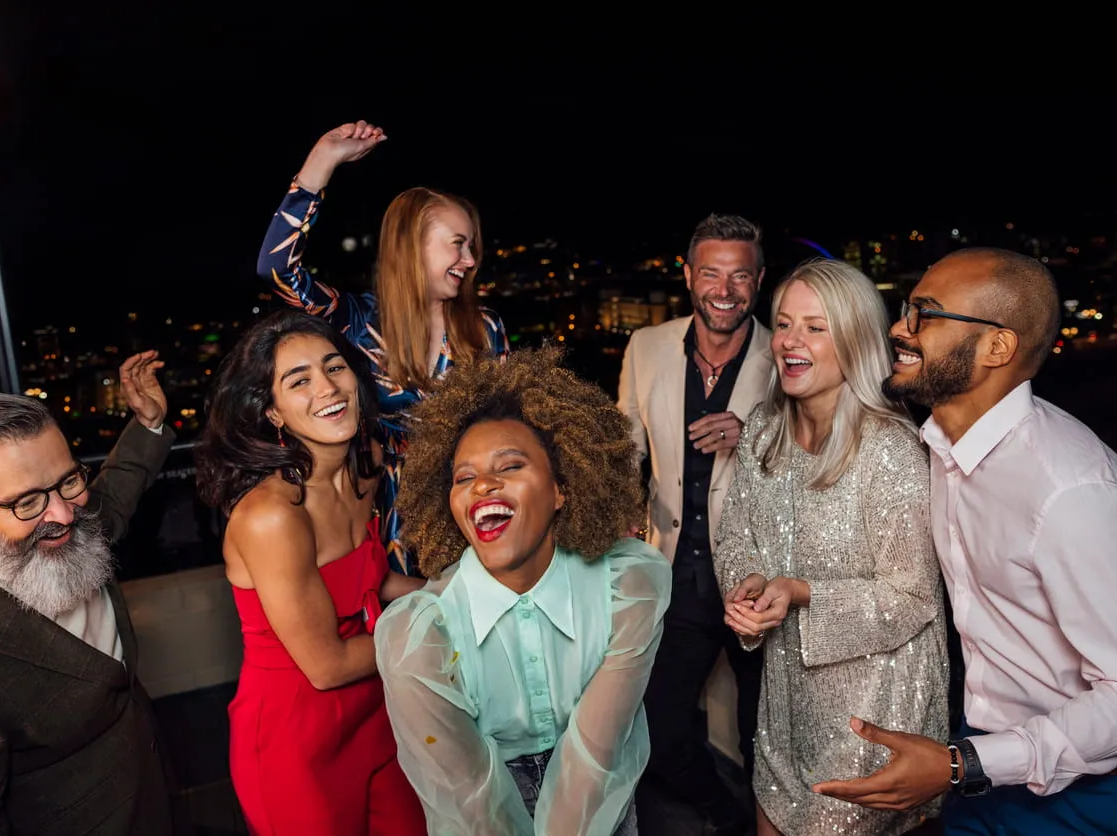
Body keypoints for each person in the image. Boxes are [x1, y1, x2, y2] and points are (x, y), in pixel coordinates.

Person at [813, 247, 1117, 835]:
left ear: (998, 347)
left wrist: (965, 763)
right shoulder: (941, 447)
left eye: (925, 315)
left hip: (1097, 798)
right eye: (906, 309)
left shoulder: (1074, 493)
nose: (898, 328)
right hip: (987, 770)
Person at [373, 346, 671, 835]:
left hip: (604, 789)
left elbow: (595, 754)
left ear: (562, 487)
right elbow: (469, 796)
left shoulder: (630, 587)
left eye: (509, 466)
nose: (483, 485)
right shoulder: (420, 638)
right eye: (463, 476)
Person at [716, 259, 950, 835]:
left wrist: (798, 592)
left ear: (855, 339)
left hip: (874, 717)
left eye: (815, 327)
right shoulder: (763, 430)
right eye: (785, 324)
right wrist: (745, 590)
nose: (791, 342)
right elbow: (735, 537)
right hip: (783, 710)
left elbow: (914, 596)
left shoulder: (890, 450)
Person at [194, 309, 427, 835]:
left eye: (334, 367)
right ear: (272, 411)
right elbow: (327, 665)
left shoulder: (364, 461)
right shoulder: (272, 515)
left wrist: (454, 589)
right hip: (295, 739)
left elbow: (370, 582)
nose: (327, 388)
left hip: (378, 709)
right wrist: (448, 619)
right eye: (298, 381)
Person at [0, 352, 184, 835]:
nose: (65, 515)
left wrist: (148, 423)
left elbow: (115, 492)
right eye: (26, 501)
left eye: (69, 480)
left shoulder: (73, 523)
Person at [256, 120, 510, 579]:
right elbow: (276, 268)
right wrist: (322, 162)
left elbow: (516, 424)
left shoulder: (485, 327)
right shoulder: (356, 321)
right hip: (400, 518)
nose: (470, 260)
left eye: (472, 246)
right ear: (413, 248)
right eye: (457, 244)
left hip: (486, 504)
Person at [617, 212, 772, 834]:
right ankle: (727, 817)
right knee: (655, 729)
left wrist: (755, 431)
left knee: (765, 732)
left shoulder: (788, 352)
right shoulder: (646, 346)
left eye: (740, 277)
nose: (725, 290)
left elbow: (826, 447)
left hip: (761, 585)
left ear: (758, 282)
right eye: (712, 273)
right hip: (673, 574)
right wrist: (620, 517)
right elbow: (623, 451)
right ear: (688, 276)